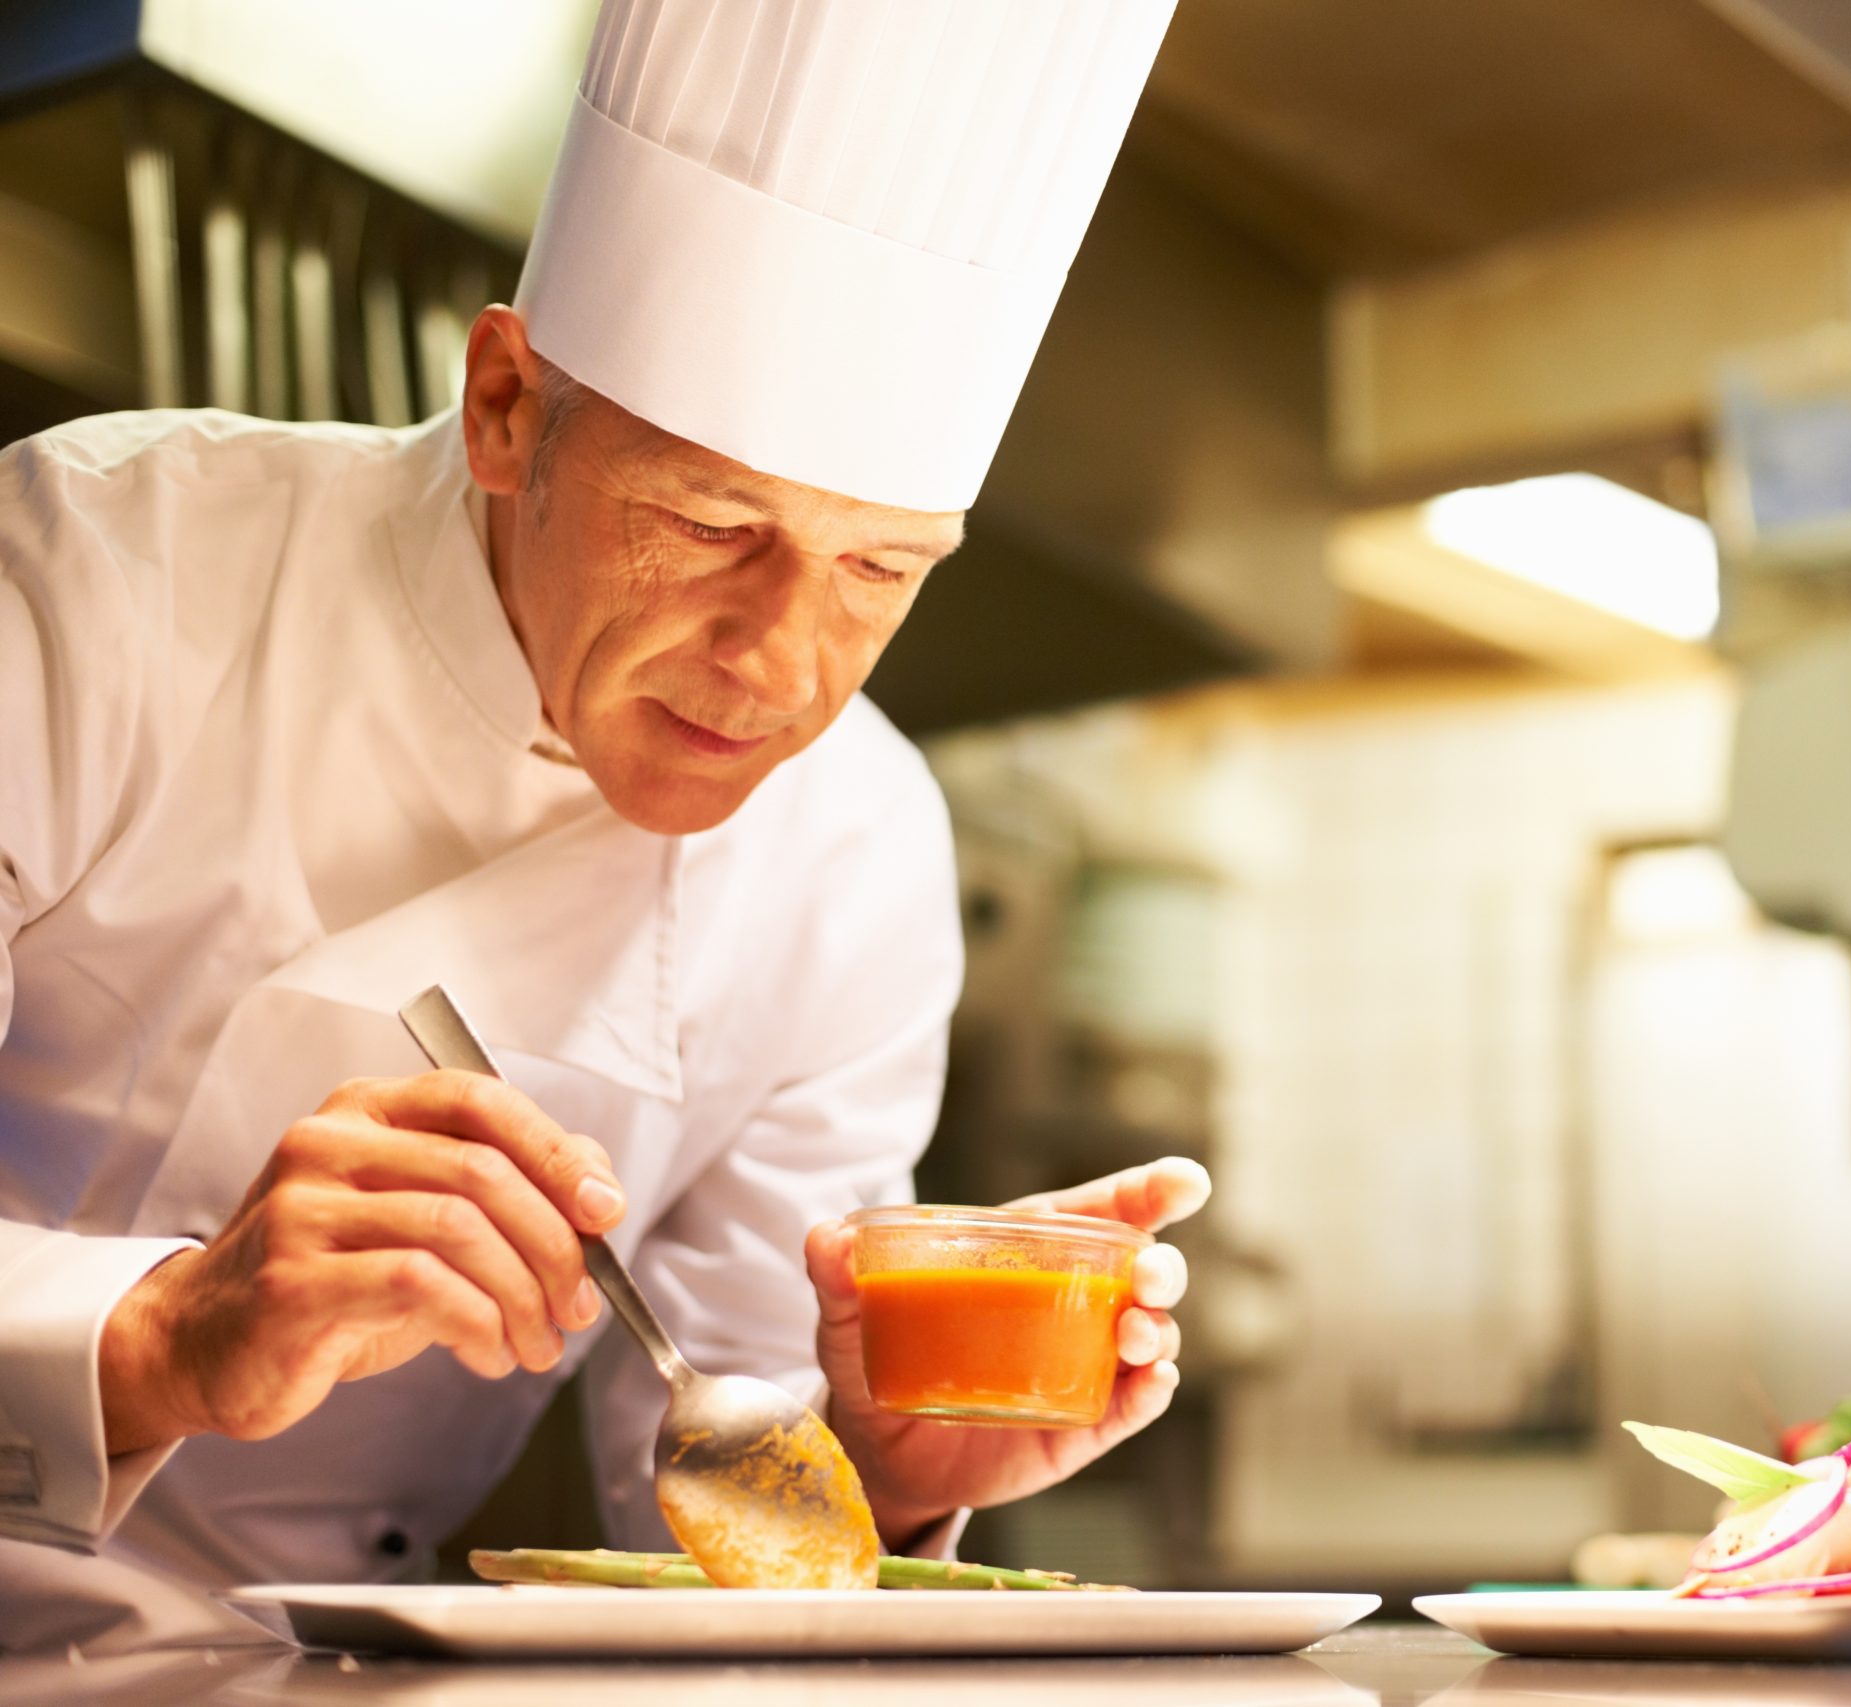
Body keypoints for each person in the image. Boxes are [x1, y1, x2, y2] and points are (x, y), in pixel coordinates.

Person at [0, 0, 1197, 1650]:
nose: (785, 672)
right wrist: (157, 1334)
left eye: (881, 571)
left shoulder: (859, 852)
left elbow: (706, 1478)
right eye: (712, 526)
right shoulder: (93, 580)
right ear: (506, 406)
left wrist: (883, 1464)